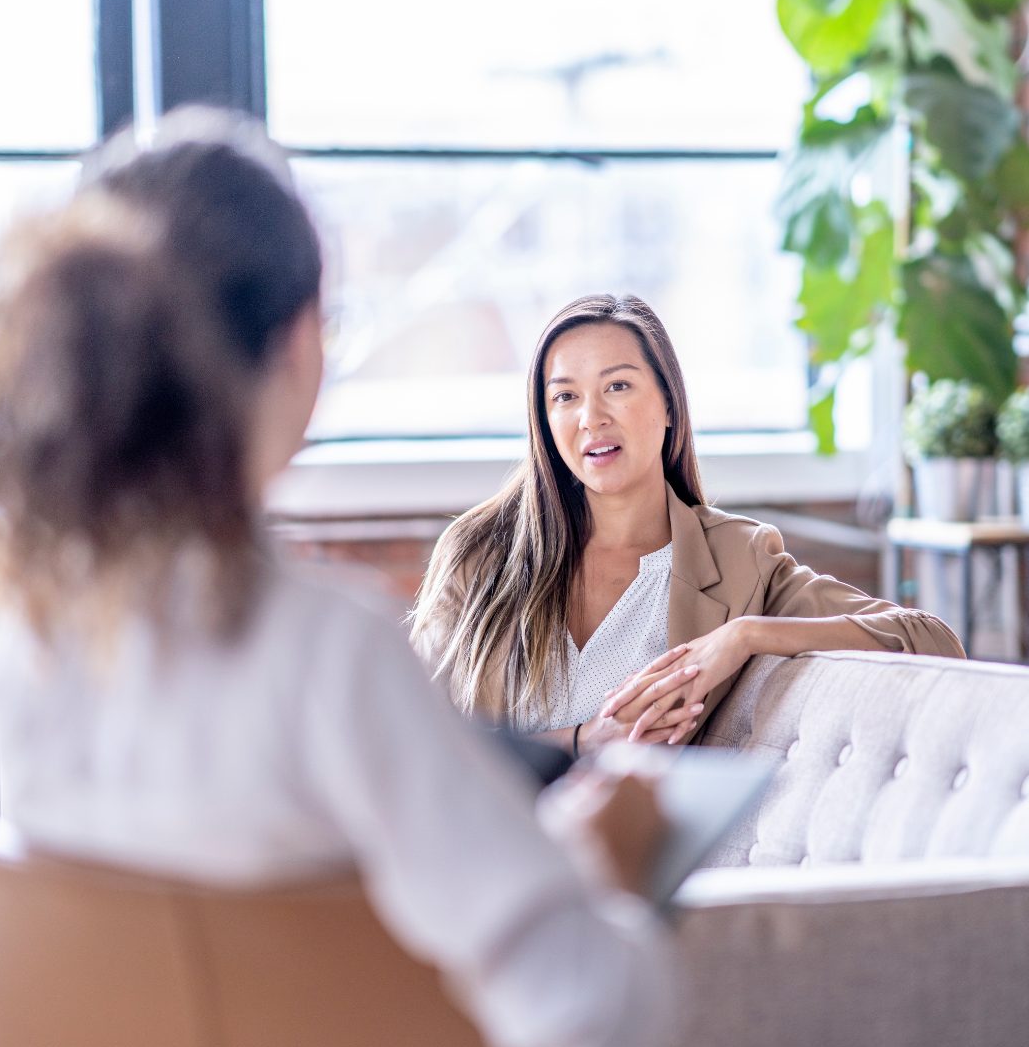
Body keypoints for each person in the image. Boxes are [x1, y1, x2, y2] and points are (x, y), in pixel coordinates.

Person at [0, 110, 681, 1047]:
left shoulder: (22, 630)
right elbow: (595, 1013)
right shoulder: (326, 649)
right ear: (299, 341)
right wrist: (598, 873)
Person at [410, 294, 964, 755]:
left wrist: (746, 634)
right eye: (565, 396)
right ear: (546, 420)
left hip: (650, 868)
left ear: (669, 403)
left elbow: (931, 641)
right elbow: (411, 740)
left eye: (618, 386)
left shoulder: (739, 559)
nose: (592, 417)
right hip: (492, 855)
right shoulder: (478, 552)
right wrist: (584, 742)